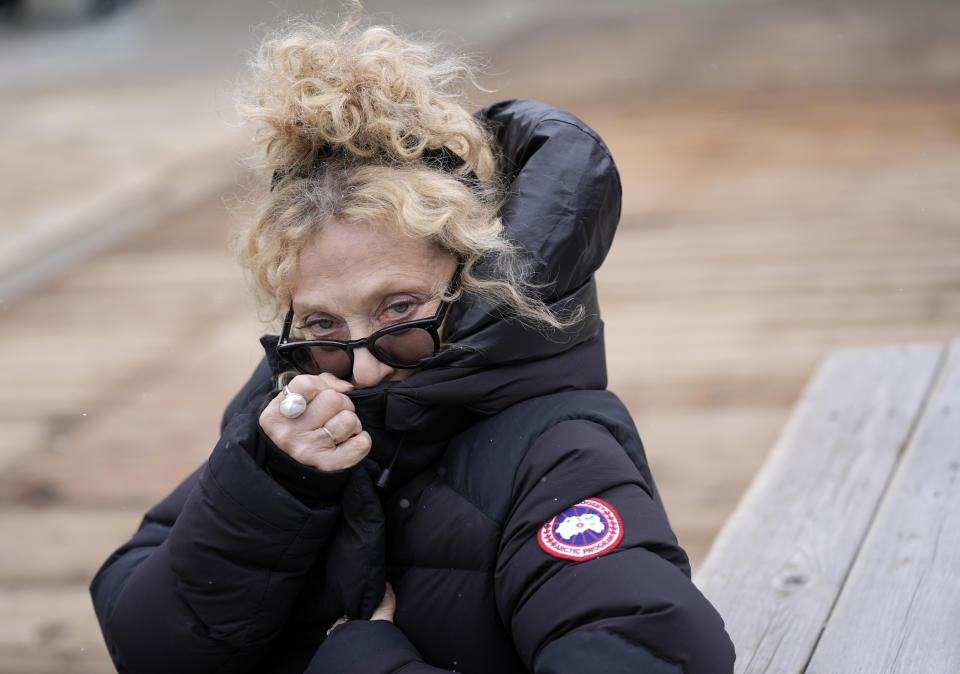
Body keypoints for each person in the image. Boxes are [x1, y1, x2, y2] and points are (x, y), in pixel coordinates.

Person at [90, 16, 735, 674]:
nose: (364, 367)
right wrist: (276, 486)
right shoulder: (287, 408)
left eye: (399, 310)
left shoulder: (557, 456)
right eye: (322, 326)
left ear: (475, 279)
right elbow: (146, 638)